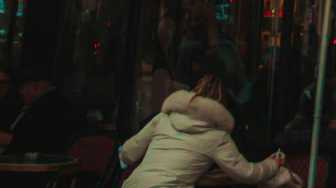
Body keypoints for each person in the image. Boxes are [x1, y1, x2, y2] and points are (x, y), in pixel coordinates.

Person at [121, 74, 285, 188]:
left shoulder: (163, 120)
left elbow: (128, 153)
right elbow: (247, 174)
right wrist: (273, 164)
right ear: (221, 107)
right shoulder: (217, 137)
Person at [0, 68, 75, 156]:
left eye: (22, 88)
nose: (20, 93)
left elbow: (44, 142)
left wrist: (9, 139)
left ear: (33, 87)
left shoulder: (52, 105)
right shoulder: (44, 102)